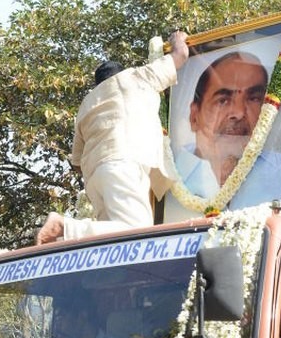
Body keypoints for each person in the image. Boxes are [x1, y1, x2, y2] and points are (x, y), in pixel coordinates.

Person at [36, 31, 190, 245]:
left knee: (114, 244)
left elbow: (77, 162)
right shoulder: (136, 77)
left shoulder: (86, 104)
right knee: (137, 231)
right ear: (121, 73)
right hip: (123, 164)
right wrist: (177, 38)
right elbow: (181, 55)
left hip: (94, 178)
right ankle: (65, 228)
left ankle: (68, 236)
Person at [165, 50, 281, 218]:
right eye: (223, 100)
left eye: (254, 98)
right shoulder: (166, 174)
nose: (238, 113)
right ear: (194, 117)